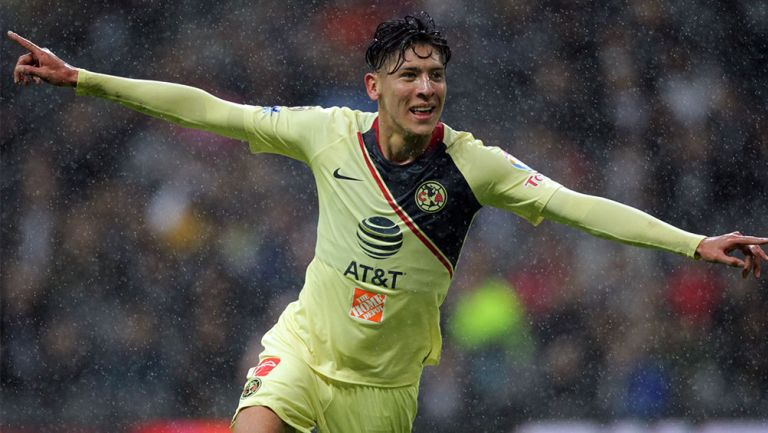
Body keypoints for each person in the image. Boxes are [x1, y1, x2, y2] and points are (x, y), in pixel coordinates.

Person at [8, 12, 768, 433]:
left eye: (436, 73)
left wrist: (693, 243)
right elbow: (213, 111)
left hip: (383, 391)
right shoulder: (326, 132)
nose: (427, 85)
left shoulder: (474, 166)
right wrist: (86, 81)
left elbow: (579, 207)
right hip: (306, 348)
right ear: (376, 85)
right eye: (410, 73)